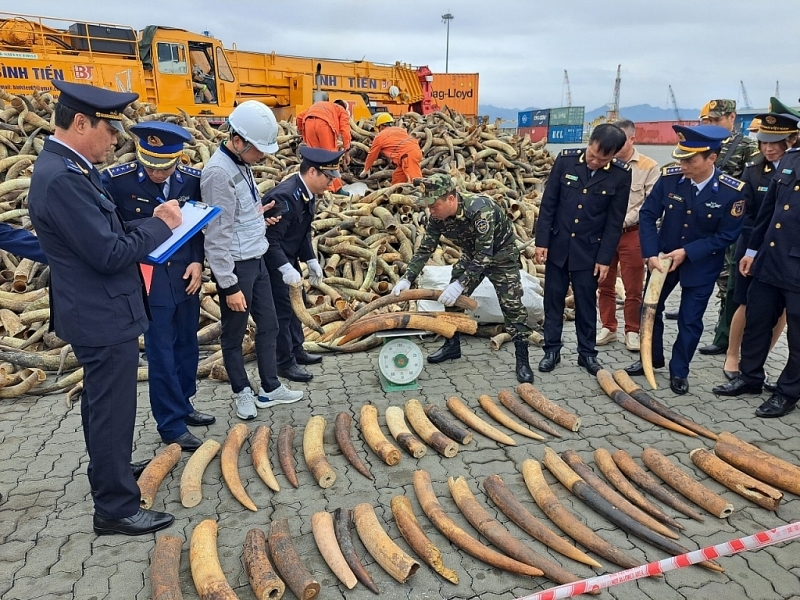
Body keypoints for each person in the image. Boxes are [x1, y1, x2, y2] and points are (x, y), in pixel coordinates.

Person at [28, 80, 182, 536]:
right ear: (81, 122)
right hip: (101, 313)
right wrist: (160, 227)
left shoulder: (68, 166)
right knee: (112, 408)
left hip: (97, 309)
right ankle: (116, 508)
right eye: (110, 128)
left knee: (102, 406)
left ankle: (109, 470)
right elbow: (110, 253)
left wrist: (148, 222)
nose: (116, 139)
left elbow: (103, 231)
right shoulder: (61, 178)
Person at [102, 121, 214, 452]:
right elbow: (111, 229)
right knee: (161, 352)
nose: (157, 172)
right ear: (140, 156)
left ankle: (184, 403)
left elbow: (197, 227)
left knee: (187, 346)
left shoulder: (191, 181)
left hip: (185, 276)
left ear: (177, 160)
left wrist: (198, 261)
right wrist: (153, 221)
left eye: (165, 165)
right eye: (150, 164)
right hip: (150, 279)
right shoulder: (116, 181)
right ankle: (170, 424)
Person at [624, 125, 746, 395]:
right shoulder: (670, 178)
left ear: (711, 158)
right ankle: (651, 357)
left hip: (700, 265)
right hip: (663, 260)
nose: (682, 164)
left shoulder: (731, 191)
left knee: (690, 321)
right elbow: (648, 215)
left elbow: (727, 235)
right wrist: (650, 254)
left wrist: (688, 252)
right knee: (650, 311)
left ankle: (679, 370)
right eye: (681, 157)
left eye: (690, 160)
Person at [202, 101, 303, 421]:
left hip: (256, 257)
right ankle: (242, 391)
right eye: (259, 149)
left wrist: (261, 220)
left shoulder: (240, 164)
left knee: (270, 324)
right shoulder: (218, 173)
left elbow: (238, 215)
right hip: (236, 266)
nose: (263, 156)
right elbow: (216, 234)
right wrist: (229, 285)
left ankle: (270, 387)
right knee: (234, 333)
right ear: (238, 141)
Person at [391, 173, 534, 383]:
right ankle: (452, 345)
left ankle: (523, 359)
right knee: (452, 301)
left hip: (501, 257)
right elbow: (425, 249)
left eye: (434, 204)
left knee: (512, 306)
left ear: (451, 199)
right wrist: (407, 278)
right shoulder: (438, 217)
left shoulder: (480, 210)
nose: (430, 209)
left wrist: (461, 284)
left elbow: (485, 255)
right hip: (471, 256)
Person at [712, 113, 800, 418]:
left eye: (776, 141)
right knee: (758, 319)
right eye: (765, 141)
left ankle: (788, 392)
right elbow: (768, 214)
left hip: (797, 265)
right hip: (769, 258)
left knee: (797, 335)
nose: (770, 147)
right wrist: (751, 250)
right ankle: (750, 378)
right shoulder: (791, 160)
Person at [534, 123, 631, 376]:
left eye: (602, 159)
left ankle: (587, 354)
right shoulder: (566, 161)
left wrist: (605, 258)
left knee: (586, 304)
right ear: (589, 143)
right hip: (558, 246)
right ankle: (551, 350)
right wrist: (541, 242)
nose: (594, 162)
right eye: (592, 155)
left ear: (614, 155)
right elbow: (549, 204)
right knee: (553, 300)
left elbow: (614, 221)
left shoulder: (621, 174)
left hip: (589, 251)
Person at [263, 147, 341, 382]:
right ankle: (284, 363)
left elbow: (302, 232)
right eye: (329, 177)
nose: (331, 182)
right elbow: (270, 240)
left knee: (299, 304)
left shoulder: (306, 193)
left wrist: (311, 260)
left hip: (289, 258)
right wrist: (284, 268)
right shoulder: (286, 196)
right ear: (313, 172)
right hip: (273, 262)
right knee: (283, 312)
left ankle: (297, 350)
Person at [696, 99, 760, 354]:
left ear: (732, 118)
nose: (711, 125)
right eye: (707, 121)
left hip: (731, 223)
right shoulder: (700, 143)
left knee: (729, 280)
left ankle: (725, 334)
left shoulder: (746, 147)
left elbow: (751, 188)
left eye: (716, 120)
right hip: (703, 221)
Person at [596, 120, 660, 352]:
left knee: (634, 286)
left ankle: (632, 330)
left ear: (632, 139)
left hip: (631, 233)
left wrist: (620, 222)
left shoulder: (648, 166)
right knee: (604, 282)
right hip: (604, 234)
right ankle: (608, 327)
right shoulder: (604, 163)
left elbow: (649, 204)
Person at [296, 98, 351, 193]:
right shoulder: (342, 111)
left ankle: (314, 187)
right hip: (325, 125)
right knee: (331, 158)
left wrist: (302, 132)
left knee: (314, 159)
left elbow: (300, 117)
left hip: (308, 123)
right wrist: (347, 151)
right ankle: (336, 189)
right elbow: (345, 131)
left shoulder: (320, 105)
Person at [359, 113, 422, 184]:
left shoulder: (380, 136)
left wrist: (366, 169)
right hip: (415, 152)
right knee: (397, 178)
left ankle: (425, 193)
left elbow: (372, 154)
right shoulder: (400, 130)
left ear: (381, 126)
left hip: (408, 156)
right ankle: (396, 192)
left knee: (416, 181)